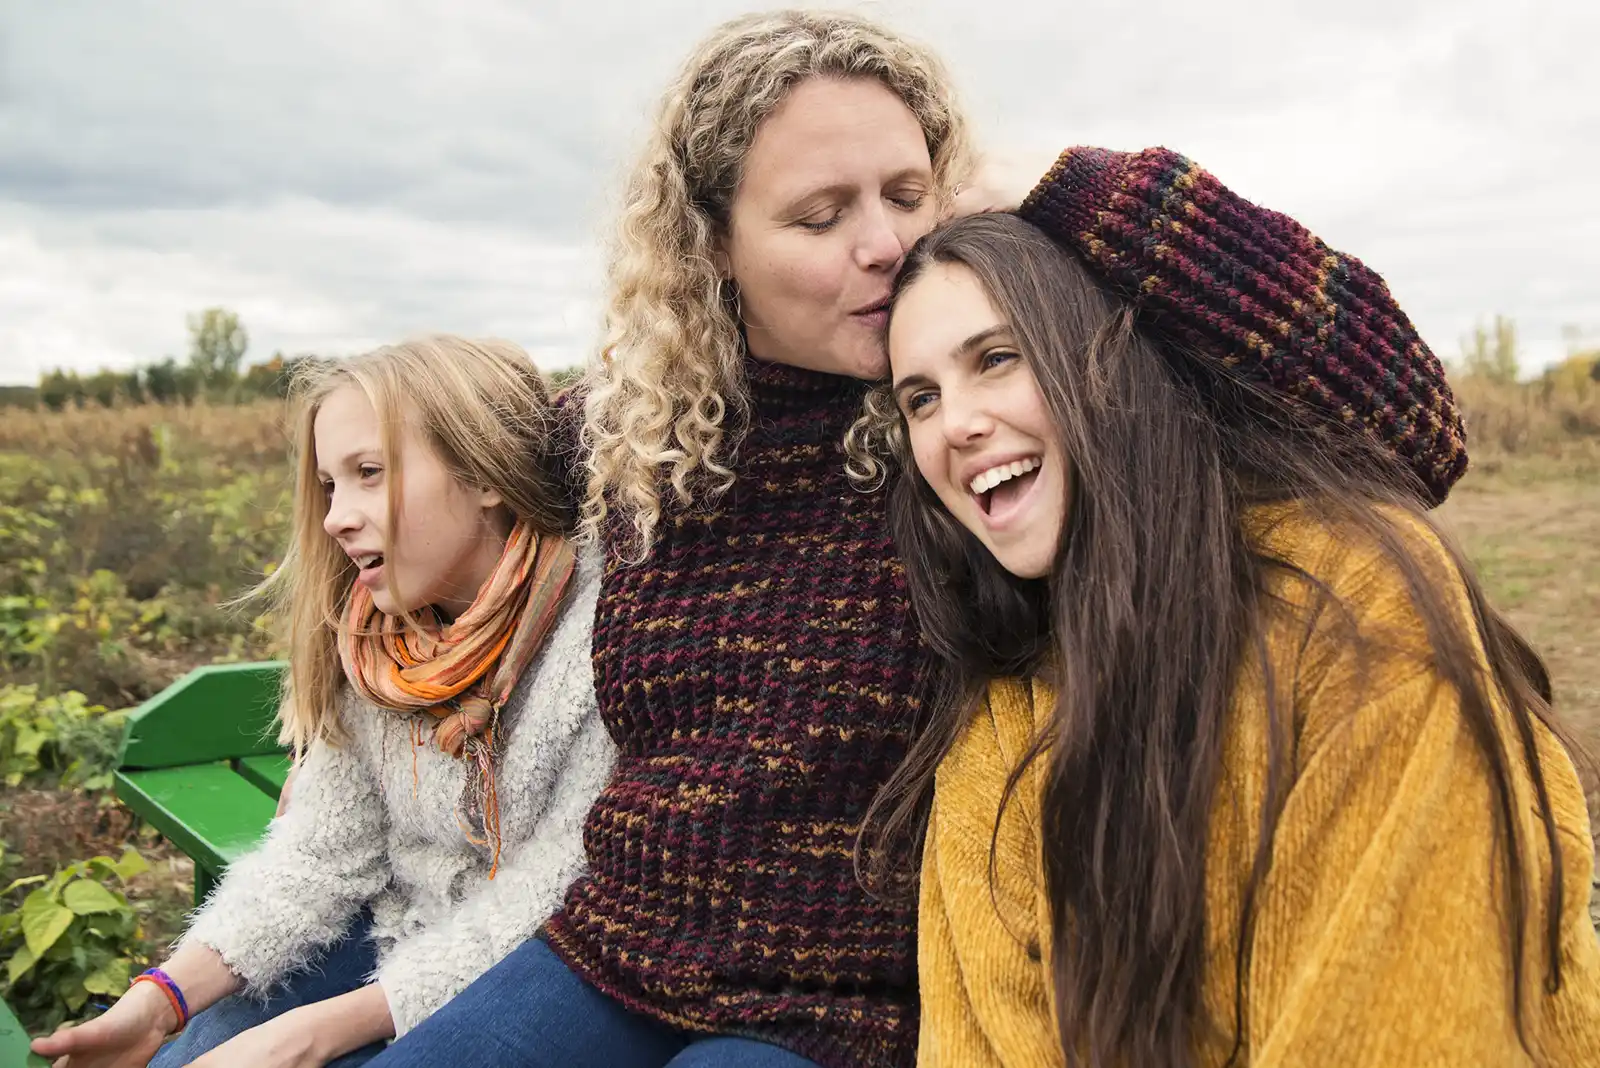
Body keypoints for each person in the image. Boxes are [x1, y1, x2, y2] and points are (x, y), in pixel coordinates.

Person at [879, 148, 1600, 1066]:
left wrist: (1080, 192)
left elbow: (1408, 1027)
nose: (956, 424)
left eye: (999, 358)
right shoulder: (998, 719)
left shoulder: (1355, 598)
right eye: (920, 399)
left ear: (1111, 361)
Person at [369, 11, 976, 1068]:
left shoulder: (978, 430)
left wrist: (1064, 193)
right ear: (713, 247)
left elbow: (1362, 394)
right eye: (820, 215)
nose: (885, 244)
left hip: (851, 1007)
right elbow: (431, 481)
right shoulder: (634, 432)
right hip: (614, 949)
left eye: (908, 195)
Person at [34, 336, 616, 1068]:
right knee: (202, 1047)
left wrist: (320, 1030)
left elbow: (559, 893)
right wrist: (161, 1000)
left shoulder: (607, 635)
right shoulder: (372, 638)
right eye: (330, 485)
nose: (337, 516)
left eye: (369, 474)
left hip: (551, 980)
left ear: (483, 473)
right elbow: (321, 851)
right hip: (395, 933)